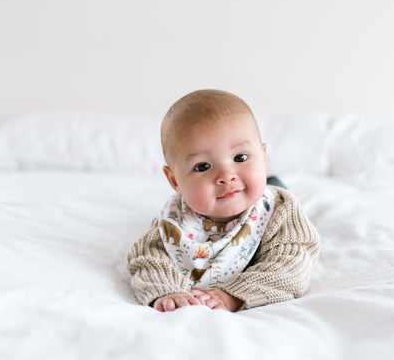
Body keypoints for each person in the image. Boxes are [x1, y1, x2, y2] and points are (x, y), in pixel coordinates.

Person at [126, 89, 320, 312]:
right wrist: (167, 290)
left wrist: (232, 295)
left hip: (266, 198)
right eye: (203, 167)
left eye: (240, 157)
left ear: (263, 157)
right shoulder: (174, 222)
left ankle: (272, 181)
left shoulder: (281, 211)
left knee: (277, 189)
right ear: (175, 181)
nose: (227, 176)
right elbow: (148, 260)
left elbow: (291, 265)